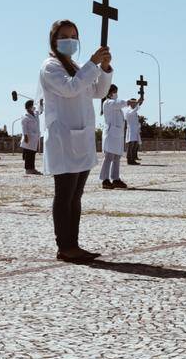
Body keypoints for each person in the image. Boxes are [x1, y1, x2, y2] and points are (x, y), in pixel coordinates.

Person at [39, 19, 113, 263]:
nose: (70, 40)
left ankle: (74, 244)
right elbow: (70, 88)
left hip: (80, 138)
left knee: (76, 196)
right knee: (65, 194)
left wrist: (104, 68)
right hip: (62, 139)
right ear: (54, 40)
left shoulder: (77, 66)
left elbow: (98, 92)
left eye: (73, 36)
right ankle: (64, 246)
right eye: (64, 36)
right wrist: (92, 64)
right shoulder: (50, 67)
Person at [99, 85, 128, 190]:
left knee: (116, 158)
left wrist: (137, 102)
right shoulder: (108, 103)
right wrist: (129, 101)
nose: (116, 93)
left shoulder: (117, 106)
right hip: (111, 135)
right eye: (115, 91)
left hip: (117, 136)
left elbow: (120, 105)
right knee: (109, 158)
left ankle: (115, 179)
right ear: (110, 93)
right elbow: (118, 103)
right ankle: (105, 180)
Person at [20, 99, 43, 175]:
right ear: (29, 107)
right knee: (28, 154)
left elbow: (41, 110)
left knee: (33, 153)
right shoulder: (25, 116)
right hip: (28, 137)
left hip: (34, 138)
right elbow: (24, 127)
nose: (34, 107)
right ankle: (28, 169)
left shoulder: (35, 113)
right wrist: (25, 136)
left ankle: (32, 168)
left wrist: (41, 103)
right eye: (33, 105)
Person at [123, 96, 143, 165]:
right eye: (134, 103)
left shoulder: (133, 110)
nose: (135, 105)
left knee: (134, 144)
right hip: (131, 129)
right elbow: (135, 109)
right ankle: (129, 159)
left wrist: (140, 102)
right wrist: (138, 102)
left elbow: (137, 107)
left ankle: (132, 158)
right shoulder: (128, 110)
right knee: (131, 144)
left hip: (135, 129)